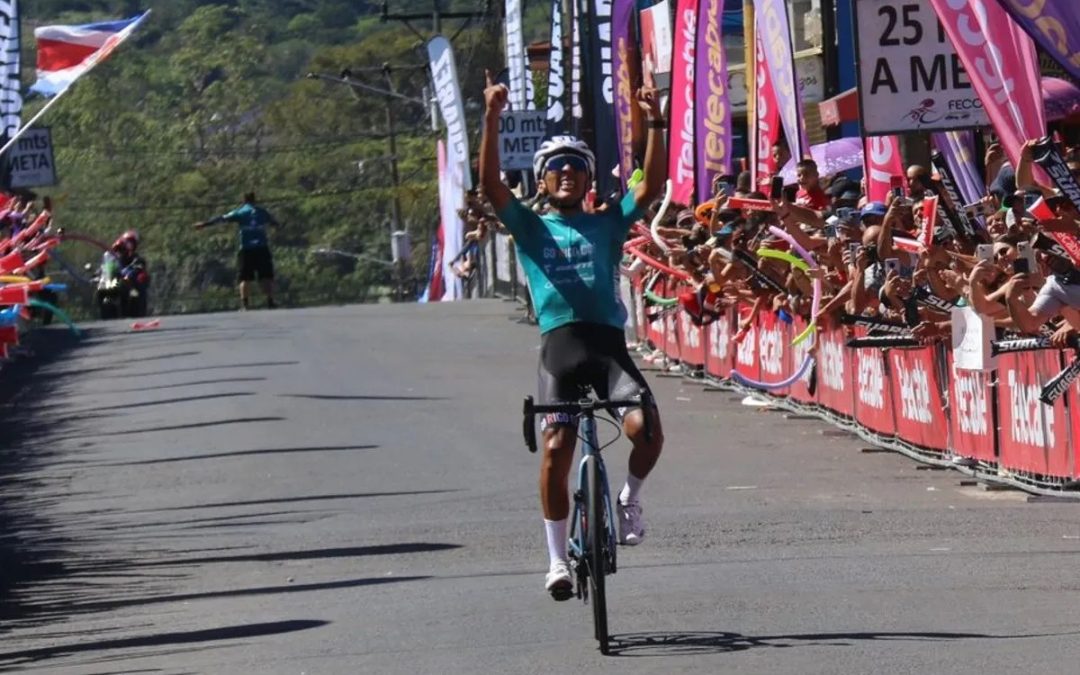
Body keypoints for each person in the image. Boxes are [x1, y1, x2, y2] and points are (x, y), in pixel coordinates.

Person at [480, 68, 667, 599]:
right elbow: (491, 186)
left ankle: (629, 499)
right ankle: (557, 561)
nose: (566, 173)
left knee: (647, 432)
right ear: (542, 180)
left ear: (588, 181)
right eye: (556, 168)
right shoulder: (530, 225)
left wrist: (654, 119)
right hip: (559, 351)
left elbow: (651, 185)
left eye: (576, 168)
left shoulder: (607, 221)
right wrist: (492, 120)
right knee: (557, 448)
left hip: (608, 348)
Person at [194, 193, 279, 310]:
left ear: (244, 200)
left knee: (245, 278)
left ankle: (245, 304)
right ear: (255, 200)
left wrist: (204, 224)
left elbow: (222, 218)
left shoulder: (240, 212)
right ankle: (270, 301)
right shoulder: (262, 212)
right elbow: (274, 222)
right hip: (262, 248)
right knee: (266, 276)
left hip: (246, 248)